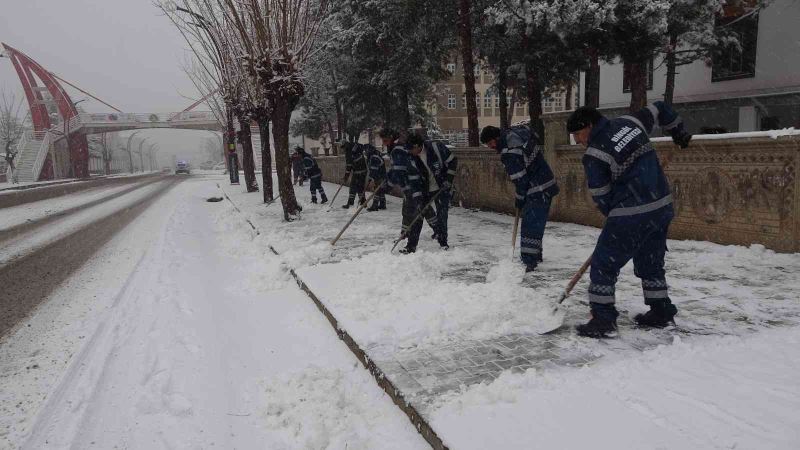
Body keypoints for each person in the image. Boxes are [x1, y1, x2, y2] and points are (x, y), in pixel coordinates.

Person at [566, 101, 692, 338]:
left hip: (630, 213)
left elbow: (602, 197)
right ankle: (661, 310)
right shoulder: (630, 122)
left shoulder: (595, 155)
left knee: (604, 264)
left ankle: (603, 320)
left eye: (578, 134)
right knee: (650, 262)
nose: (578, 140)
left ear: (589, 126)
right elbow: (660, 108)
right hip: (661, 206)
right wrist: (678, 132)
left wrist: (616, 219)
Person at [480, 122, 559, 272]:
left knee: (530, 225)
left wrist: (519, 198)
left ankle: (529, 262)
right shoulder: (516, 135)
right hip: (546, 183)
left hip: (537, 189)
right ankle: (535, 256)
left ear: (496, 137)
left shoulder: (510, 152)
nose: (490, 146)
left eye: (490, 143)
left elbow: (520, 179)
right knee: (536, 224)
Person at [384, 130, 446, 253]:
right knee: (420, 210)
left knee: (416, 211)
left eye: (385, 140)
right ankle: (418, 234)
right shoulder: (397, 149)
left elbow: (399, 170)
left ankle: (414, 237)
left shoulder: (397, 150)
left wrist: (389, 185)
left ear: (391, 138)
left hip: (413, 185)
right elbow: (395, 169)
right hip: (414, 185)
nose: (383, 142)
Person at [418, 136, 458, 247]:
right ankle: (437, 229)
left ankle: (443, 241)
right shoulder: (412, 156)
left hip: (442, 186)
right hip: (426, 188)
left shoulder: (435, 148)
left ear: (417, 146)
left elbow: (453, 161)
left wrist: (448, 180)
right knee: (423, 209)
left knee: (442, 213)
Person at [341, 142, 368, 209]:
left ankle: (350, 202)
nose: (343, 150)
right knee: (360, 187)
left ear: (345, 147)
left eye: (343, 148)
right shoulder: (355, 150)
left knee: (353, 187)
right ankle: (363, 202)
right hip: (363, 171)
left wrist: (346, 177)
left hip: (357, 172)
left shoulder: (349, 153)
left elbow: (349, 166)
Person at [364, 143, 388, 211]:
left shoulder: (374, 156)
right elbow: (372, 169)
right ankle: (383, 204)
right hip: (380, 174)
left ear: (368, 150)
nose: (365, 152)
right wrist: (370, 178)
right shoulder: (374, 154)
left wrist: (372, 179)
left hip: (379, 175)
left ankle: (375, 205)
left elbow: (374, 170)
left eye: (366, 151)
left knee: (377, 190)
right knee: (380, 190)